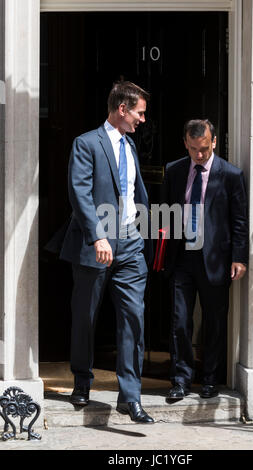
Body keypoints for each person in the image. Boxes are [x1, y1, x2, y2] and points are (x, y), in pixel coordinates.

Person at [59, 81, 154, 423]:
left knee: (133, 318)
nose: (143, 119)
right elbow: (79, 192)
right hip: (95, 243)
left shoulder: (130, 145)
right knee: (86, 315)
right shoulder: (86, 143)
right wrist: (98, 236)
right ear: (122, 109)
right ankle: (82, 381)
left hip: (130, 242)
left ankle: (130, 397)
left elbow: (132, 194)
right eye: (139, 113)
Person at [163, 119, 249, 400]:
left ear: (213, 142)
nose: (198, 155)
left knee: (213, 321)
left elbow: (239, 221)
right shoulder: (174, 171)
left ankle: (210, 379)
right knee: (179, 321)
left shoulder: (231, 175)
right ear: (185, 143)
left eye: (203, 149)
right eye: (192, 149)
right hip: (182, 258)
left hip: (215, 258)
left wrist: (239, 257)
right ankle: (181, 379)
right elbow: (166, 214)